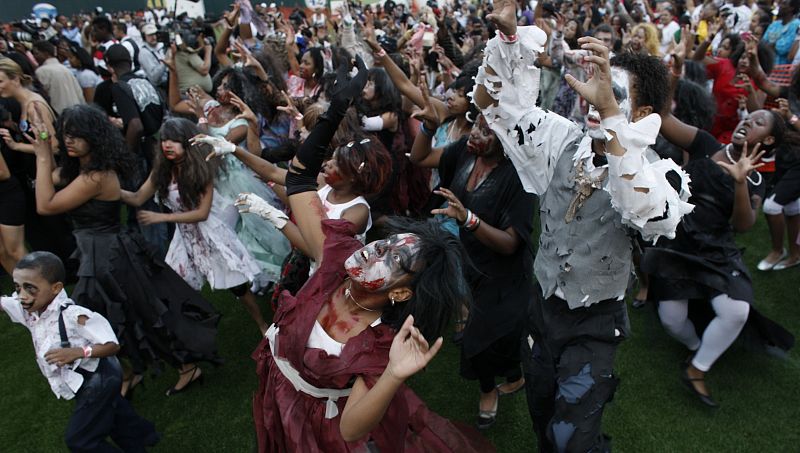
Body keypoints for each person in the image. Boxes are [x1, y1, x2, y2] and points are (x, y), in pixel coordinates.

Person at [472, 1, 693, 450]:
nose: (595, 101)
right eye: (596, 87)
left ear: (643, 111)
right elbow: (499, 105)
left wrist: (613, 120)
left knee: (571, 436)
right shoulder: (561, 139)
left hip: (594, 325)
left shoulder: (656, 173)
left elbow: (640, 210)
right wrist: (511, 39)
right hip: (541, 309)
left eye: (612, 94)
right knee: (541, 411)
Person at [245, 56, 493, 452]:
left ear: (399, 294)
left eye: (393, 262)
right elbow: (299, 178)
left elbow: (350, 429)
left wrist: (394, 374)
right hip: (276, 392)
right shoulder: (335, 255)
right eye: (385, 243)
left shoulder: (376, 343)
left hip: (315, 428)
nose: (375, 251)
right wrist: (336, 111)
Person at [28, 104, 221, 397]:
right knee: (105, 316)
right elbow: (50, 182)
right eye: (66, 134)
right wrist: (42, 136)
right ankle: (130, 373)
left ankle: (184, 367)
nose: (68, 140)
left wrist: (43, 156)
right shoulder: (82, 170)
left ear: (94, 137)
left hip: (108, 257)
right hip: (96, 253)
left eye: (76, 135)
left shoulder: (97, 176)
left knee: (137, 315)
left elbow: (45, 204)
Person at [647, 100, 796, 406]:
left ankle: (696, 368)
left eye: (756, 122)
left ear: (767, 141)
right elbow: (664, 119)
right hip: (678, 239)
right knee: (672, 321)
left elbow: (744, 225)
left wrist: (740, 182)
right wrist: (667, 83)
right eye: (748, 117)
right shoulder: (706, 143)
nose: (746, 122)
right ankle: (697, 344)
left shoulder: (756, 180)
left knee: (737, 310)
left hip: (715, 248)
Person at [410, 85, 535, 429]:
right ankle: (511, 374)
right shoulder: (464, 155)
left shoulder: (518, 180)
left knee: (478, 340)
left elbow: (511, 243)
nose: (475, 133)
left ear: (506, 140)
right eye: (476, 124)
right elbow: (419, 158)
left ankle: (488, 390)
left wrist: (468, 219)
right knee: (496, 337)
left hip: (506, 276)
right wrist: (428, 128)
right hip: (470, 266)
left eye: (485, 130)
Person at [0, 251, 160, 451]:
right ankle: (143, 436)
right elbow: (4, 303)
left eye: (30, 289)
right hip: (82, 381)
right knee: (115, 416)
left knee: (80, 440)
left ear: (56, 288)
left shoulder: (73, 315)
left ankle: (139, 436)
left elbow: (112, 345)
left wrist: (77, 352)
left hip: (99, 378)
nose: (22, 296)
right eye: (17, 287)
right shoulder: (29, 310)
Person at [122, 118, 267, 335]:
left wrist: (162, 218)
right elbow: (137, 197)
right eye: (164, 140)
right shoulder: (161, 171)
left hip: (209, 233)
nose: (167, 145)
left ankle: (262, 324)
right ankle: (196, 332)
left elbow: (202, 213)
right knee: (179, 287)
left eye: (174, 140)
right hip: (185, 238)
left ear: (187, 142)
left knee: (236, 285)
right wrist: (106, 189)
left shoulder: (201, 170)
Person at [31, 40, 84, 114]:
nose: (34, 57)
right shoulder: (65, 69)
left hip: (59, 114)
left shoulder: (41, 71)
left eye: (36, 53)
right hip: (76, 113)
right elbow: (79, 94)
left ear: (46, 54)